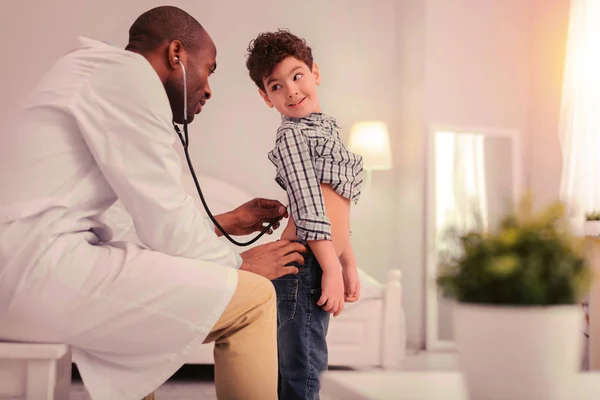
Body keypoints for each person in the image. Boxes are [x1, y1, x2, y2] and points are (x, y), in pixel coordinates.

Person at [0, 6, 307, 400]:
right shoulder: (128, 75)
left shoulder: (92, 73)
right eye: (209, 69)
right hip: (31, 273)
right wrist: (239, 264)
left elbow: (131, 223)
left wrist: (222, 221)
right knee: (255, 299)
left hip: (24, 267)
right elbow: (164, 224)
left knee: (143, 288)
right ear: (176, 54)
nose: (209, 89)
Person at [245, 29, 364, 399]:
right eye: (277, 86)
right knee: (305, 366)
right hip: (306, 263)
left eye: (297, 76)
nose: (292, 90)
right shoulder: (293, 136)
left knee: (306, 360)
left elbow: (338, 207)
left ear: (315, 72)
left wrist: (348, 263)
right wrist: (329, 267)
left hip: (321, 257)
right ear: (266, 98)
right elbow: (309, 203)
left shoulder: (325, 128)